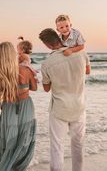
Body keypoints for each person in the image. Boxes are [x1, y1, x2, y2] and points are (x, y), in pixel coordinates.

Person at [39, 28, 91, 171]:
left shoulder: (47, 63)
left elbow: (46, 88)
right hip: (79, 106)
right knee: (78, 144)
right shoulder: (81, 53)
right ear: (59, 38)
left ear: (47, 45)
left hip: (59, 110)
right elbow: (87, 71)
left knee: (57, 146)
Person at [0, 41, 37, 171]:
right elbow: (34, 87)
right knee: (24, 140)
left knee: (9, 141)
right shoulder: (25, 69)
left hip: (8, 109)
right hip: (26, 106)